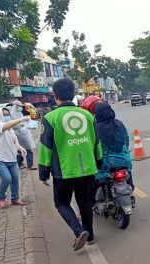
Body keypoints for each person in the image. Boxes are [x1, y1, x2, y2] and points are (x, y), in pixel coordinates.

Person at [38, 79, 102, 251]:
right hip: (87, 167)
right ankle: (90, 236)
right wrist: (99, 162)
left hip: (63, 171)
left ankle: (78, 230)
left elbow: (45, 148)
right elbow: (97, 142)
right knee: (85, 202)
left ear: (55, 96)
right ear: (73, 94)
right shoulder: (87, 115)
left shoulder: (50, 118)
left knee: (61, 203)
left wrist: (43, 172)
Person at [0, 108, 30, 209]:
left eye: (8, 115)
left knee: (15, 179)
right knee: (7, 178)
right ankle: (1, 198)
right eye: (5, 115)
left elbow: (14, 141)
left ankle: (15, 199)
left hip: (11, 158)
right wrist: (21, 119)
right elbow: (6, 125)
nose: (7, 116)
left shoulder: (10, 130)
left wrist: (20, 148)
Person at [93, 102, 134, 189]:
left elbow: (94, 147)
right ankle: (130, 186)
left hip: (106, 165)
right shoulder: (120, 124)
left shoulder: (95, 128)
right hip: (124, 161)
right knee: (128, 176)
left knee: (92, 185)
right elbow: (126, 142)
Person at [8, 101, 37, 170]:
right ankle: (20, 164)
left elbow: (24, 121)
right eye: (20, 106)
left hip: (25, 134)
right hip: (17, 135)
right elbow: (11, 125)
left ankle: (30, 165)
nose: (21, 108)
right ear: (16, 106)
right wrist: (19, 125)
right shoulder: (11, 115)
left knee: (29, 149)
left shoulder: (20, 113)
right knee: (19, 150)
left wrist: (29, 124)